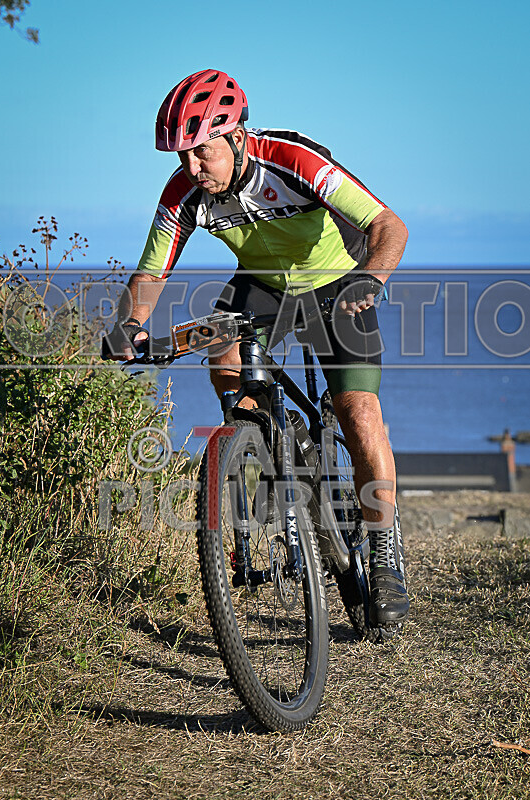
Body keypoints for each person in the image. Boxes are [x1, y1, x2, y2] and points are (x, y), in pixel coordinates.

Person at [104, 69, 409, 628]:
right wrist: (130, 324)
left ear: (237, 137)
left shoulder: (292, 161)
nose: (192, 168)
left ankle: (385, 551)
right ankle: (257, 433)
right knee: (220, 346)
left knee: (359, 413)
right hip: (265, 285)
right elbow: (151, 272)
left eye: (202, 153)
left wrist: (372, 279)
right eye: (181, 157)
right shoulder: (185, 194)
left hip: (338, 284)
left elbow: (389, 225)